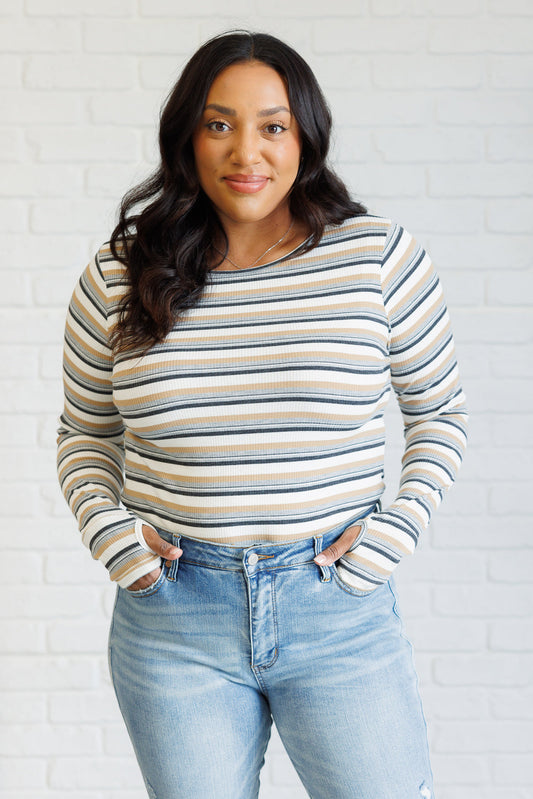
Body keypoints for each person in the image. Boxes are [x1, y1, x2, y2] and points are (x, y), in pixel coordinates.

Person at [57, 30, 467, 799]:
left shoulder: (375, 257)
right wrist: (109, 531)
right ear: (186, 137)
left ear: (304, 136)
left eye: (272, 126)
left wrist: (393, 533)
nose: (245, 151)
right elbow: (84, 431)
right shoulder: (118, 277)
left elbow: (439, 411)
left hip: (334, 605)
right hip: (173, 617)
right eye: (218, 124)